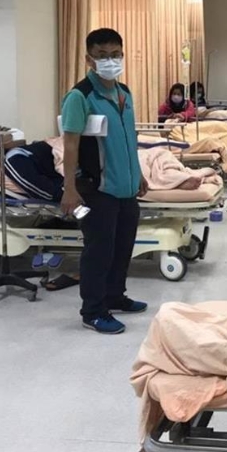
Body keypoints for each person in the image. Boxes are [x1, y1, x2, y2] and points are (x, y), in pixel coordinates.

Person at [60, 28, 148, 335]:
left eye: (115, 55)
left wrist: (138, 173)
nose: (110, 61)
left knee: (122, 248)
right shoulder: (80, 97)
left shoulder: (124, 93)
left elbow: (129, 138)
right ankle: (93, 311)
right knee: (99, 252)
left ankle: (114, 296)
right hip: (97, 189)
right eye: (102, 56)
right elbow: (70, 145)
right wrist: (69, 189)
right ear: (89, 59)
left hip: (126, 187)